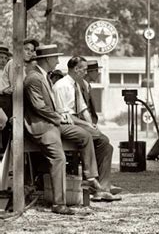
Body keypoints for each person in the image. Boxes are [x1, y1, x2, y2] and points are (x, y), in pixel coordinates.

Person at [24, 45, 104, 215]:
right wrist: (59, 117)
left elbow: (48, 107)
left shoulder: (43, 76)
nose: (58, 61)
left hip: (52, 122)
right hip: (42, 126)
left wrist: (60, 116)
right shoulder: (33, 78)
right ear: (47, 59)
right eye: (55, 58)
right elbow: (39, 107)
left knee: (84, 135)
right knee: (58, 157)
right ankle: (59, 204)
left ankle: (90, 177)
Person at [53, 56, 120, 201]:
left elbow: (83, 108)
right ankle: (94, 183)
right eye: (84, 69)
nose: (86, 72)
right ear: (76, 69)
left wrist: (92, 125)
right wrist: (87, 125)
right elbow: (66, 115)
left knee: (106, 146)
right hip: (66, 124)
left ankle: (103, 187)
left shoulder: (76, 84)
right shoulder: (61, 86)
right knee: (102, 141)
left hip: (78, 123)